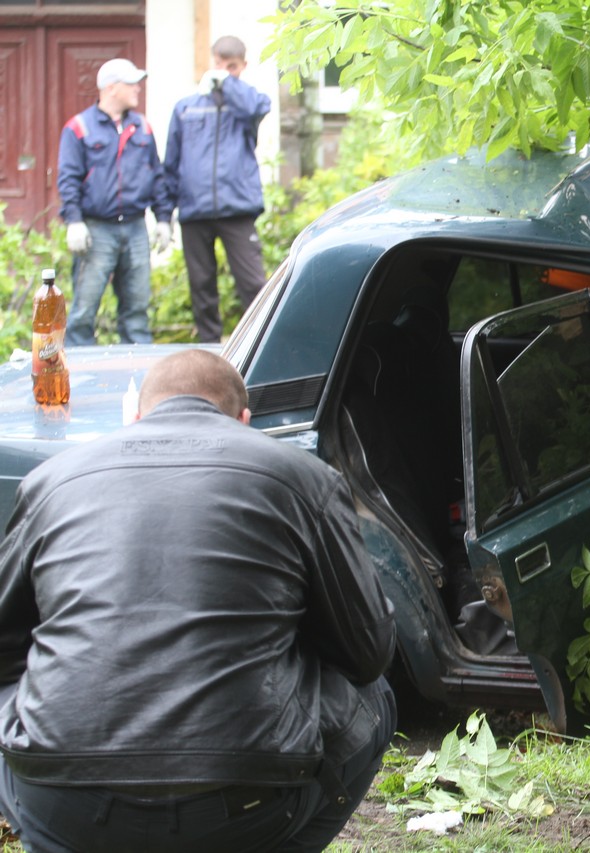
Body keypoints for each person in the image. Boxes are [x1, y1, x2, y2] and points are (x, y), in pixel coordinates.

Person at [0, 349, 397, 853]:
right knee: (376, 695)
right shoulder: (305, 478)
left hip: (62, 800)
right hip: (244, 804)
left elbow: (5, 646)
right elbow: (367, 653)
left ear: (136, 415)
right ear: (244, 420)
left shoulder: (51, 480)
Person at [57, 57, 173, 346]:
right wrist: (74, 221)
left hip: (135, 229)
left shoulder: (142, 127)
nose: (138, 88)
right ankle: (81, 380)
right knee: (84, 312)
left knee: (136, 312)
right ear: (110, 88)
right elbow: (68, 178)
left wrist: (163, 219)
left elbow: (156, 176)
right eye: (131, 83)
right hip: (97, 231)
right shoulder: (79, 128)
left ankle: (139, 379)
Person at [165, 35, 273, 343]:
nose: (225, 71)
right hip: (194, 210)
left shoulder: (247, 102)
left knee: (253, 283)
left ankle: (260, 344)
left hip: (236, 208)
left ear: (243, 66)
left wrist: (228, 84)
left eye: (233, 67)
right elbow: (171, 163)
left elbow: (255, 107)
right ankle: (209, 347)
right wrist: (164, 214)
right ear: (211, 61)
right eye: (220, 65)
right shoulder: (186, 107)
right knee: (201, 285)